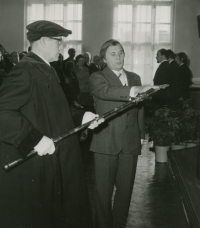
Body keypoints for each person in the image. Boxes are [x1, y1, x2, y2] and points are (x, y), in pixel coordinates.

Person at [0, 20, 103, 228]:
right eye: (59, 41)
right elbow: (3, 112)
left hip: (54, 161)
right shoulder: (25, 70)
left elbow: (53, 111)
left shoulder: (46, 69)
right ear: (45, 41)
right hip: (36, 164)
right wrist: (34, 140)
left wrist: (81, 117)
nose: (61, 47)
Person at [89, 39, 160, 228]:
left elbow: (140, 110)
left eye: (120, 52)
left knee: (125, 192)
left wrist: (141, 134)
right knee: (102, 194)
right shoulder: (97, 77)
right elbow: (107, 91)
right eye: (113, 54)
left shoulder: (134, 77)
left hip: (130, 142)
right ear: (104, 57)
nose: (118, 57)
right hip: (105, 141)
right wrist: (134, 90)